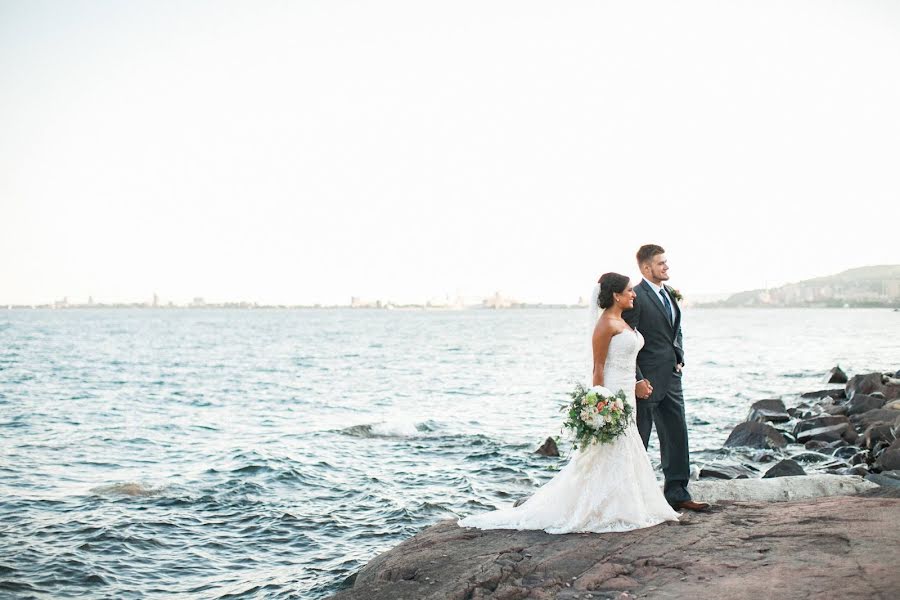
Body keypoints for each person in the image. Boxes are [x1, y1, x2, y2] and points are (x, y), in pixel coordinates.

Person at [457, 273, 680, 534]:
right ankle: (600, 507)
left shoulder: (621, 321)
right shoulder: (605, 325)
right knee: (607, 451)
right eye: (629, 291)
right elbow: (598, 368)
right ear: (616, 296)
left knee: (625, 450)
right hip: (612, 395)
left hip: (627, 394)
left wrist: (635, 385)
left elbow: (625, 362)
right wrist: (602, 403)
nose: (634, 295)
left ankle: (625, 503)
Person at [623, 244, 709, 511]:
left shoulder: (669, 293)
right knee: (641, 438)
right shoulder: (635, 296)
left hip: (672, 377)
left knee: (676, 434)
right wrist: (637, 379)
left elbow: (675, 329)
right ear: (647, 267)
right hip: (646, 381)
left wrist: (679, 355)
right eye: (661, 263)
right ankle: (635, 498)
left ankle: (677, 492)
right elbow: (627, 340)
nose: (666, 267)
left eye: (666, 262)